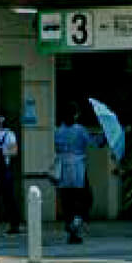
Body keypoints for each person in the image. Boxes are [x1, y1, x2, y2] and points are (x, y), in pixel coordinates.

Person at [53, 101, 103, 244]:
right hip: (77, 169)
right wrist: (103, 137)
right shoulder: (80, 130)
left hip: (63, 168)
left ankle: (71, 227)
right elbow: (95, 143)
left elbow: (57, 149)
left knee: (66, 200)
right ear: (75, 115)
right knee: (84, 198)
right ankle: (77, 221)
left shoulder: (58, 131)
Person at [0, 115, 21, 235]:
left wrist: (1, 150)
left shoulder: (8, 134)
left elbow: (14, 151)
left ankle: (14, 224)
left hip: (3, 169)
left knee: (8, 197)